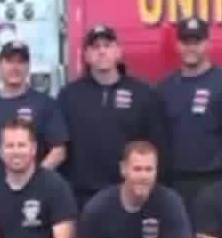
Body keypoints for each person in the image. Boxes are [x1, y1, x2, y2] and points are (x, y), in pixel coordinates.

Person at [58, 24, 170, 209]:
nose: (102, 52)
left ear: (118, 51)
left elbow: (158, 148)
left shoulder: (143, 94)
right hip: (82, 197)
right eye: (95, 47)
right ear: (86, 55)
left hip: (129, 196)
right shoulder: (69, 96)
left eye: (107, 45)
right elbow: (62, 147)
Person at [158, 17, 222, 205]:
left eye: (197, 42)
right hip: (173, 183)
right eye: (186, 42)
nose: (191, 48)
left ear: (208, 44)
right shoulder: (164, 88)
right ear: (177, 45)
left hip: (213, 181)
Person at [0, 40, 68, 182]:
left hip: (35, 194)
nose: (15, 67)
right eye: (9, 61)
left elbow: (59, 150)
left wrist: (35, 179)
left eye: (21, 62)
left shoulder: (45, 104)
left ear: (28, 67)